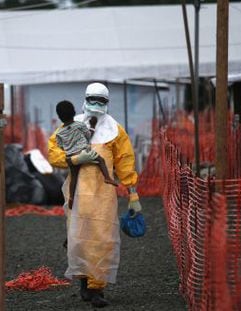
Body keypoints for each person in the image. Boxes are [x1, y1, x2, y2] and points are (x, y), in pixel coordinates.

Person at [48, 82, 142, 308]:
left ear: (107, 103)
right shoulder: (71, 126)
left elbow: (125, 162)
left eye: (102, 101)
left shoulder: (115, 131)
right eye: (93, 100)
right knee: (78, 239)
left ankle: (96, 288)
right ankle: (84, 284)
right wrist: (73, 160)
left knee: (102, 240)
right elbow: (54, 153)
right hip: (77, 194)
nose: (97, 105)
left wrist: (133, 193)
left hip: (103, 197)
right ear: (85, 99)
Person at [55, 100, 118, 209]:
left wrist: (69, 148)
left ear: (59, 117)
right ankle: (107, 177)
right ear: (74, 113)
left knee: (73, 178)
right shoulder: (79, 125)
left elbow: (60, 145)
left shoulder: (59, 132)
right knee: (100, 160)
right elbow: (89, 135)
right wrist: (93, 125)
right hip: (84, 152)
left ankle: (71, 198)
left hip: (71, 157)